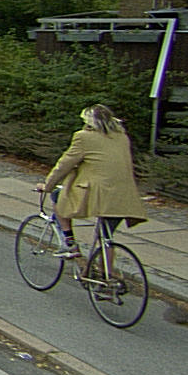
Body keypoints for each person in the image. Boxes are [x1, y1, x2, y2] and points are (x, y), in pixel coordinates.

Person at [35, 104, 148, 262]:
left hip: (97, 193)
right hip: (123, 194)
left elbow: (64, 164)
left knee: (56, 196)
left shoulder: (83, 137)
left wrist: (47, 186)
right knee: (106, 236)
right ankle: (106, 273)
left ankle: (70, 244)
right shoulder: (122, 137)